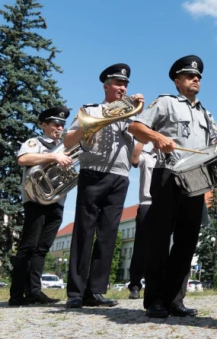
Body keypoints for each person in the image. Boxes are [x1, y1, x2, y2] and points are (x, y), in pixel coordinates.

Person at [129, 55, 217, 319]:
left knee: (186, 243)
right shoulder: (166, 102)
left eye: (198, 76)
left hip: (196, 181)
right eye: (190, 76)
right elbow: (135, 126)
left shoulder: (205, 113)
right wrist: (157, 136)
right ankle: (155, 300)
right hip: (167, 175)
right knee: (160, 240)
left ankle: (176, 299)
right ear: (177, 81)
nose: (196, 79)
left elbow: (211, 149)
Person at [64, 64, 143, 308]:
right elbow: (68, 141)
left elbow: (136, 155)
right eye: (118, 84)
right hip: (93, 173)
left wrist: (142, 121)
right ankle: (76, 294)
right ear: (106, 86)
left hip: (120, 177)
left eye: (125, 84)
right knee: (84, 233)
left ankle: (95, 292)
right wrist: (94, 121)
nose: (123, 88)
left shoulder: (131, 115)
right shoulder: (89, 110)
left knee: (108, 235)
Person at [9, 107, 71, 306]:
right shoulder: (34, 143)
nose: (59, 127)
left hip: (57, 201)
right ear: (44, 125)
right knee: (28, 247)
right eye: (55, 124)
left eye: (62, 124)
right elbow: (23, 159)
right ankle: (17, 294)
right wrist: (53, 157)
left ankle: (34, 291)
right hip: (36, 200)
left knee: (42, 248)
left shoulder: (64, 146)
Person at [127, 141, 157, 300]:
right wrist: (143, 138)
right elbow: (134, 159)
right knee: (141, 247)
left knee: (161, 247)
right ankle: (135, 285)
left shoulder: (173, 158)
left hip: (165, 205)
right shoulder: (147, 157)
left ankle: (158, 285)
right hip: (147, 204)